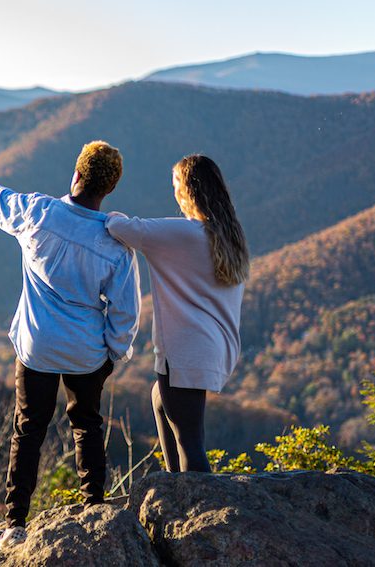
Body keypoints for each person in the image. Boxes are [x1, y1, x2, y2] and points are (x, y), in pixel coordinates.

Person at [0, 141, 140, 550]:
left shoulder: (39, 213)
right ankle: (94, 505)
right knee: (86, 425)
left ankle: (14, 523)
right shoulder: (115, 245)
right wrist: (113, 353)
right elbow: (126, 311)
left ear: (76, 176)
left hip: (36, 345)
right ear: (108, 189)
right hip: (85, 351)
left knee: (28, 429)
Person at [105, 154, 249, 473]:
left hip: (185, 351)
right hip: (214, 347)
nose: (174, 194)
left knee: (190, 444)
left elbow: (120, 227)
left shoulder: (184, 233)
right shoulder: (229, 235)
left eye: (175, 186)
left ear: (187, 190)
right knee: (161, 399)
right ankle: (175, 490)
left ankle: (202, 512)